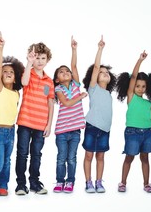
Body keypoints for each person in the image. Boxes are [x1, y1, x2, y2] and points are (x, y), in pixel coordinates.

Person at [0, 32, 25, 197]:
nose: (7, 73)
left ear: (15, 78)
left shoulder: (16, 93)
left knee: (7, 162)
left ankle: (3, 185)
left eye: (11, 72)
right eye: (5, 71)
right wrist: (0, 48)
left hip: (11, 131)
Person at [116, 50, 151, 193]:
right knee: (129, 157)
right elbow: (134, 75)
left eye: (143, 86)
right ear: (133, 86)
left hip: (147, 133)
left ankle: (146, 184)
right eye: (137, 86)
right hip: (133, 133)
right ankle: (122, 182)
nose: (140, 89)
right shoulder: (131, 97)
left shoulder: (148, 103)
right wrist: (140, 60)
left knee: (145, 159)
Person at [15, 42, 55, 195]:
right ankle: (20, 184)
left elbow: (51, 103)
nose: (39, 61)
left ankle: (34, 182)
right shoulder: (28, 73)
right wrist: (28, 63)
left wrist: (49, 125)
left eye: (42, 58)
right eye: (36, 57)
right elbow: (24, 82)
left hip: (41, 125)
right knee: (22, 153)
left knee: (36, 154)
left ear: (47, 60)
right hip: (25, 121)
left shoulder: (49, 81)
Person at [81, 35, 116, 193]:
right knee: (89, 155)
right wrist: (100, 49)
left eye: (107, 73)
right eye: (102, 72)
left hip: (105, 130)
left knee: (100, 157)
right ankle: (88, 182)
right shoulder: (93, 88)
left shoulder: (109, 94)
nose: (105, 73)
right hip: (92, 126)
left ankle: (99, 182)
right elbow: (96, 67)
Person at [52, 36, 87, 193]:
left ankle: (70, 182)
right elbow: (66, 103)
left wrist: (74, 49)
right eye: (61, 72)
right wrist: (80, 97)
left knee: (71, 158)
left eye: (67, 71)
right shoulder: (58, 89)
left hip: (75, 131)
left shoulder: (75, 84)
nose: (65, 72)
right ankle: (59, 181)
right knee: (61, 158)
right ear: (57, 79)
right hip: (61, 131)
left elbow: (74, 64)